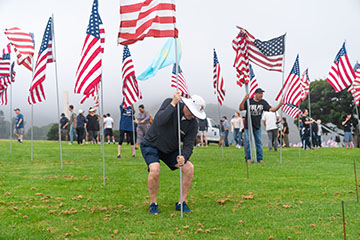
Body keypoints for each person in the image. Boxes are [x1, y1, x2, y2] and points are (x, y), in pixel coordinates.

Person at [140, 92, 206, 215]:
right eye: (192, 113)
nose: (193, 116)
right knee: (155, 169)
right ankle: (153, 203)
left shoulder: (193, 124)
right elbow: (159, 121)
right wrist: (172, 105)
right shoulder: (169, 103)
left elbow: (188, 144)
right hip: (152, 144)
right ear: (187, 106)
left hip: (170, 149)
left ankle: (182, 202)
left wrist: (184, 157)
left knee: (189, 167)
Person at [239, 88, 283, 163]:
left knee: (259, 142)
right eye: (259, 93)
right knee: (247, 142)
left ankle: (260, 158)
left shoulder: (263, 102)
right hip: (248, 126)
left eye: (262, 93)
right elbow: (241, 108)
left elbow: (272, 109)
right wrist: (244, 99)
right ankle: (248, 158)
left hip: (257, 126)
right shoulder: (249, 101)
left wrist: (279, 105)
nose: (261, 95)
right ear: (255, 94)